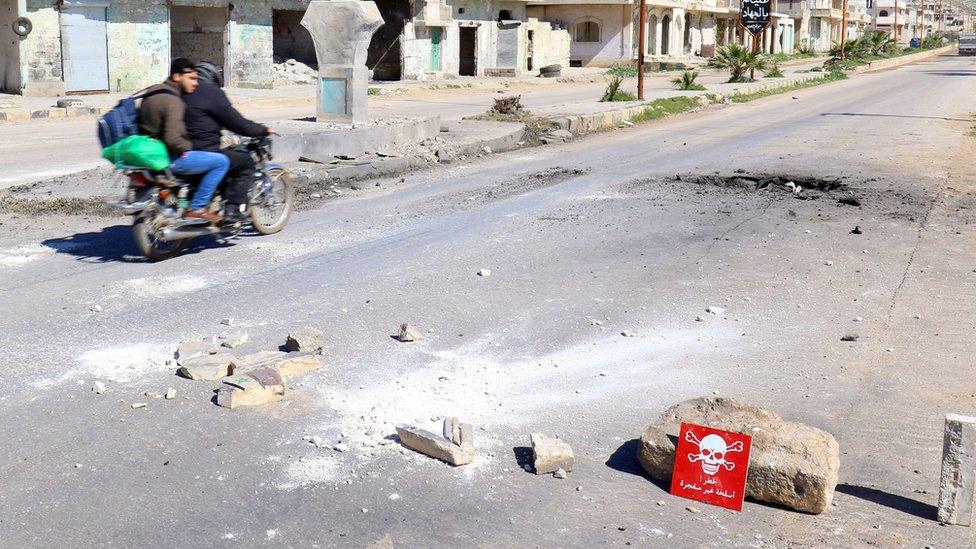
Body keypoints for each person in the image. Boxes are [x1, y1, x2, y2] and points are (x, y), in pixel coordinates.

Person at [138, 58, 229, 224]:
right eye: (192, 78)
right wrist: (190, 147)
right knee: (221, 162)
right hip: (167, 159)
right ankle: (198, 207)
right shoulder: (174, 101)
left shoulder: (153, 90)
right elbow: (173, 140)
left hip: (147, 155)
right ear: (177, 76)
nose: (196, 83)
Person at [183, 61, 274, 221]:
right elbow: (237, 123)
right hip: (204, 150)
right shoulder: (211, 93)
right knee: (245, 163)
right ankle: (232, 208)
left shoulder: (181, 91)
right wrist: (262, 129)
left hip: (181, 151)